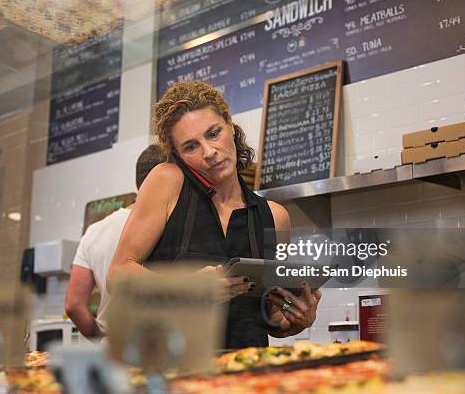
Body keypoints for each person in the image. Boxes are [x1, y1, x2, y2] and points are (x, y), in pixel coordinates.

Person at [107, 81, 321, 349]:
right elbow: (118, 273)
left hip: (246, 377)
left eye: (213, 133)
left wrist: (296, 320)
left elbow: (269, 315)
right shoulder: (167, 181)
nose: (209, 152)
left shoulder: (275, 217)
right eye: (191, 146)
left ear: (230, 125)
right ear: (179, 155)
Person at [65, 144, 166, 338]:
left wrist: (101, 340)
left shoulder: (94, 231)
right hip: (155, 346)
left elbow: (73, 305)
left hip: (112, 347)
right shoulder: (168, 222)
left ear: (138, 182)